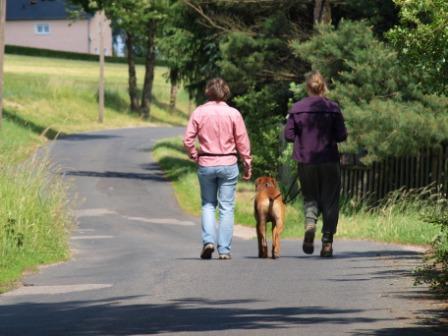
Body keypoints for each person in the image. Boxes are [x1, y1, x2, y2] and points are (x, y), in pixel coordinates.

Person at [183, 78, 252, 260]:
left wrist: (193, 155)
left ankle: (208, 241)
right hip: (228, 164)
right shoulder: (233, 113)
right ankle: (224, 250)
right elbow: (242, 141)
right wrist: (247, 162)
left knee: (208, 204)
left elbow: (188, 139)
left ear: (208, 92)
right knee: (227, 207)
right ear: (225, 92)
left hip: (206, 163)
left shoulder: (199, 112)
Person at [284, 71, 347, 257]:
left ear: (307, 87)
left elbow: (288, 136)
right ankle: (327, 242)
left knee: (310, 196)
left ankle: (310, 223)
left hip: (306, 160)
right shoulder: (333, 108)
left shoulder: (297, 108)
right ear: (323, 86)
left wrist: (301, 137)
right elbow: (342, 135)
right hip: (329, 159)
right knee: (331, 200)